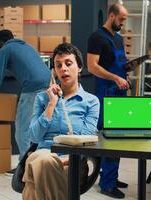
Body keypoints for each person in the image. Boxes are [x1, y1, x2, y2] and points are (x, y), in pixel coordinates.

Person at [21, 43, 99, 200]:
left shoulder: (91, 101)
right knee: (43, 160)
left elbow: (85, 140)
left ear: (79, 68)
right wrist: (51, 104)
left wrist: (61, 160)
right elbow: (34, 137)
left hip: (72, 162)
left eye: (68, 63)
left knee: (34, 182)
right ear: (54, 72)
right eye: (58, 65)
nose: (63, 68)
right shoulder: (43, 98)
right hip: (43, 155)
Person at [0, 30, 51, 174]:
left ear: (0, 42)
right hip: (49, 86)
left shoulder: (4, 50)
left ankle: (24, 168)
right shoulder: (27, 46)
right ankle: (42, 164)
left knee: (22, 131)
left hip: (32, 88)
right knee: (42, 128)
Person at [87, 3, 129, 199]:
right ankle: (107, 184)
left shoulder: (119, 39)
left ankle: (111, 176)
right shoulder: (97, 37)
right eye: (121, 19)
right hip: (106, 93)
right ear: (111, 16)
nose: (123, 23)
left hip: (120, 91)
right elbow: (92, 67)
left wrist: (127, 71)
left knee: (119, 134)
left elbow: (119, 65)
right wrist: (115, 78)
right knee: (109, 136)